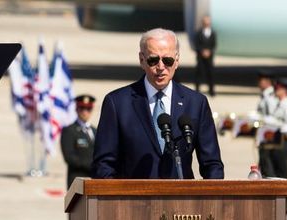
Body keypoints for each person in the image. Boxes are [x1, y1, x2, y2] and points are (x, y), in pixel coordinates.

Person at [92, 28, 224, 179]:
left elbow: (212, 165)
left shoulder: (196, 103)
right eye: (153, 60)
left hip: (181, 200)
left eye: (167, 61)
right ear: (142, 60)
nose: (161, 67)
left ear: (177, 61)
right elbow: (103, 166)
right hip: (133, 200)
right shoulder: (117, 103)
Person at [61, 94, 97, 189]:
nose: (85, 112)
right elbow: (69, 157)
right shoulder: (69, 130)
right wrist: (92, 165)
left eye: (88, 109)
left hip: (95, 181)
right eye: (82, 108)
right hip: (77, 181)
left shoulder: (96, 131)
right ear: (76, 109)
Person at [256, 70, 278, 178]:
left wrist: (259, 119)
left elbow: (273, 117)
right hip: (264, 135)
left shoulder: (270, 97)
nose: (259, 83)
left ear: (267, 82)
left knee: (267, 167)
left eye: (261, 80)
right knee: (263, 166)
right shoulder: (265, 95)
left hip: (269, 136)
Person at [194, 15, 216, 96]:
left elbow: (214, 45)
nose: (206, 23)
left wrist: (209, 51)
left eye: (208, 21)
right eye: (205, 21)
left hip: (209, 58)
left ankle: (211, 91)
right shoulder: (199, 33)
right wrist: (202, 51)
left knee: (210, 74)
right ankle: (197, 90)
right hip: (200, 57)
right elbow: (196, 44)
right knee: (199, 74)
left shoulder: (213, 33)